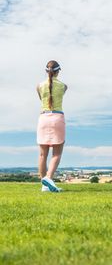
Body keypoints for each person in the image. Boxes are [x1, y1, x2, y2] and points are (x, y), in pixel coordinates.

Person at [37, 60, 67, 192]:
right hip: (57, 118)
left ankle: (44, 185)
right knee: (57, 153)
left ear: (46, 71)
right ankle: (48, 178)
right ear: (58, 71)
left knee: (43, 155)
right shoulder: (63, 86)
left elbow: (43, 100)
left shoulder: (39, 86)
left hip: (43, 118)